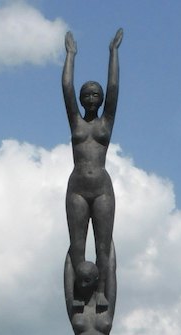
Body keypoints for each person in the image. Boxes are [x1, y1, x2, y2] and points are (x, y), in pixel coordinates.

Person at [62, 28, 122, 314]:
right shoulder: (75, 121)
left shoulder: (105, 124)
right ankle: (77, 293)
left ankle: (100, 292)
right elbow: (66, 89)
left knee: (102, 246)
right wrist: (71, 56)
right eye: (87, 94)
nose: (91, 97)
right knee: (76, 245)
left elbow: (114, 89)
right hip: (77, 187)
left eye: (95, 94)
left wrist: (113, 53)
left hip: (101, 188)